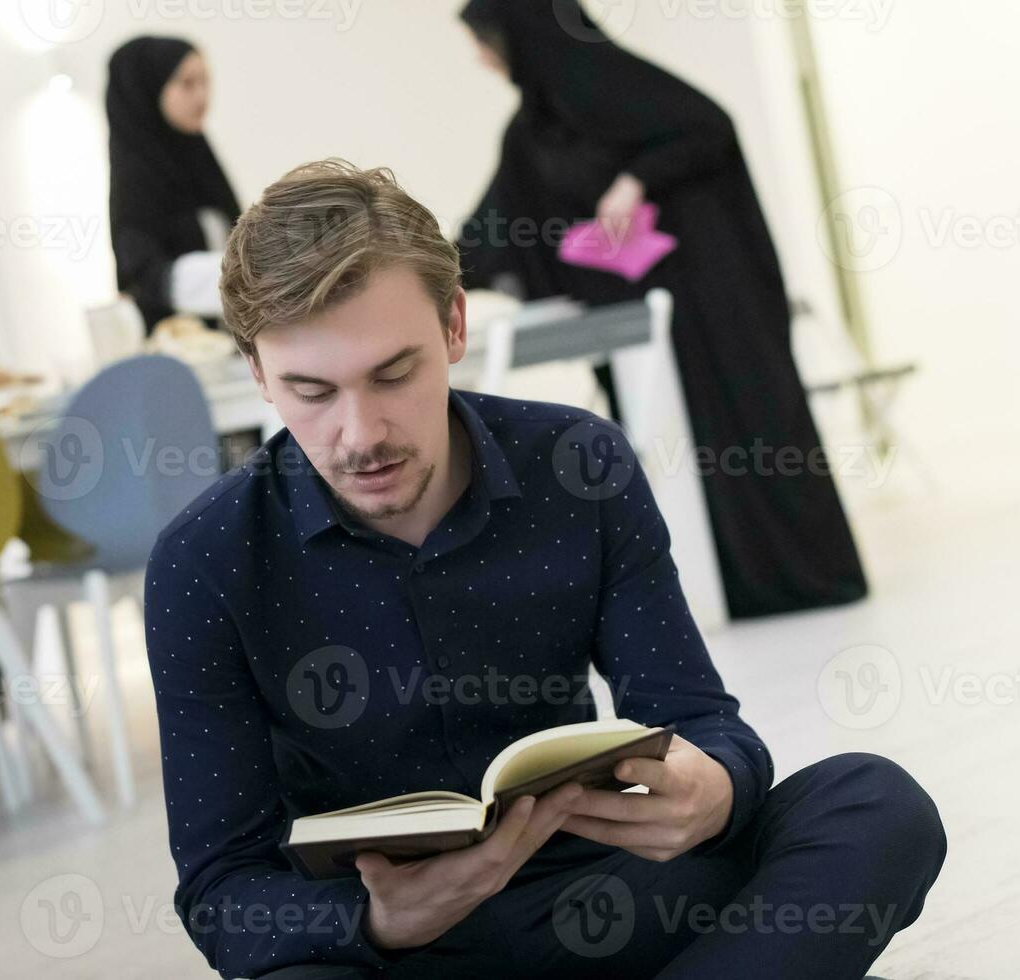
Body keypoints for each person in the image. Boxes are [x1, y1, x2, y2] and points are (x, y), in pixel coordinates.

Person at [145, 160, 945, 979]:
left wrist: (718, 787)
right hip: (401, 953)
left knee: (875, 804)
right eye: (310, 391)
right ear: (256, 374)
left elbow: (699, 719)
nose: (360, 434)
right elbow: (221, 892)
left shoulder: (577, 463)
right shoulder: (203, 561)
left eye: (394, 374)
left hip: (609, 896)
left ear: (454, 326)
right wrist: (376, 918)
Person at [454, 0, 868, 620]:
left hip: (711, 302)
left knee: (744, 424)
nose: (481, 56)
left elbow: (709, 128)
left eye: (487, 38)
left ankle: (806, 576)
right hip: (640, 324)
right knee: (681, 444)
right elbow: (494, 226)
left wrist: (637, 179)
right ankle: (727, 588)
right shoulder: (531, 132)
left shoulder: (615, 87)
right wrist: (427, 275)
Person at [107, 35, 241, 331]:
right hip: (178, 348)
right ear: (149, 89)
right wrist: (245, 279)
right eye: (187, 83)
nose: (202, 96)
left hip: (234, 340)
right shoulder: (137, 180)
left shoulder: (200, 157)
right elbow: (146, 277)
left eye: (205, 82)